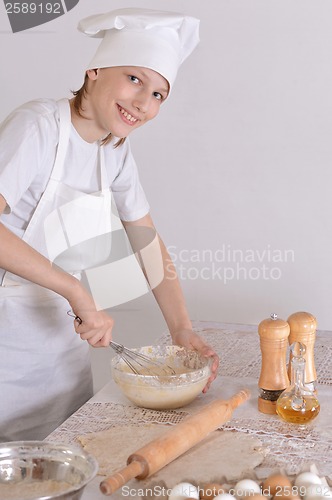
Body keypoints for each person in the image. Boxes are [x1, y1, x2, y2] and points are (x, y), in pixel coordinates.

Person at [0, 8, 219, 442]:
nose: (143, 102)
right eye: (135, 79)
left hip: (63, 355)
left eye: (159, 94)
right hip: (7, 350)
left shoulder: (113, 151)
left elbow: (148, 244)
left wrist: (181, 330)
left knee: (60, 464)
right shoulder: (40, 126)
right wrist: (78, 291)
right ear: (95, 69)